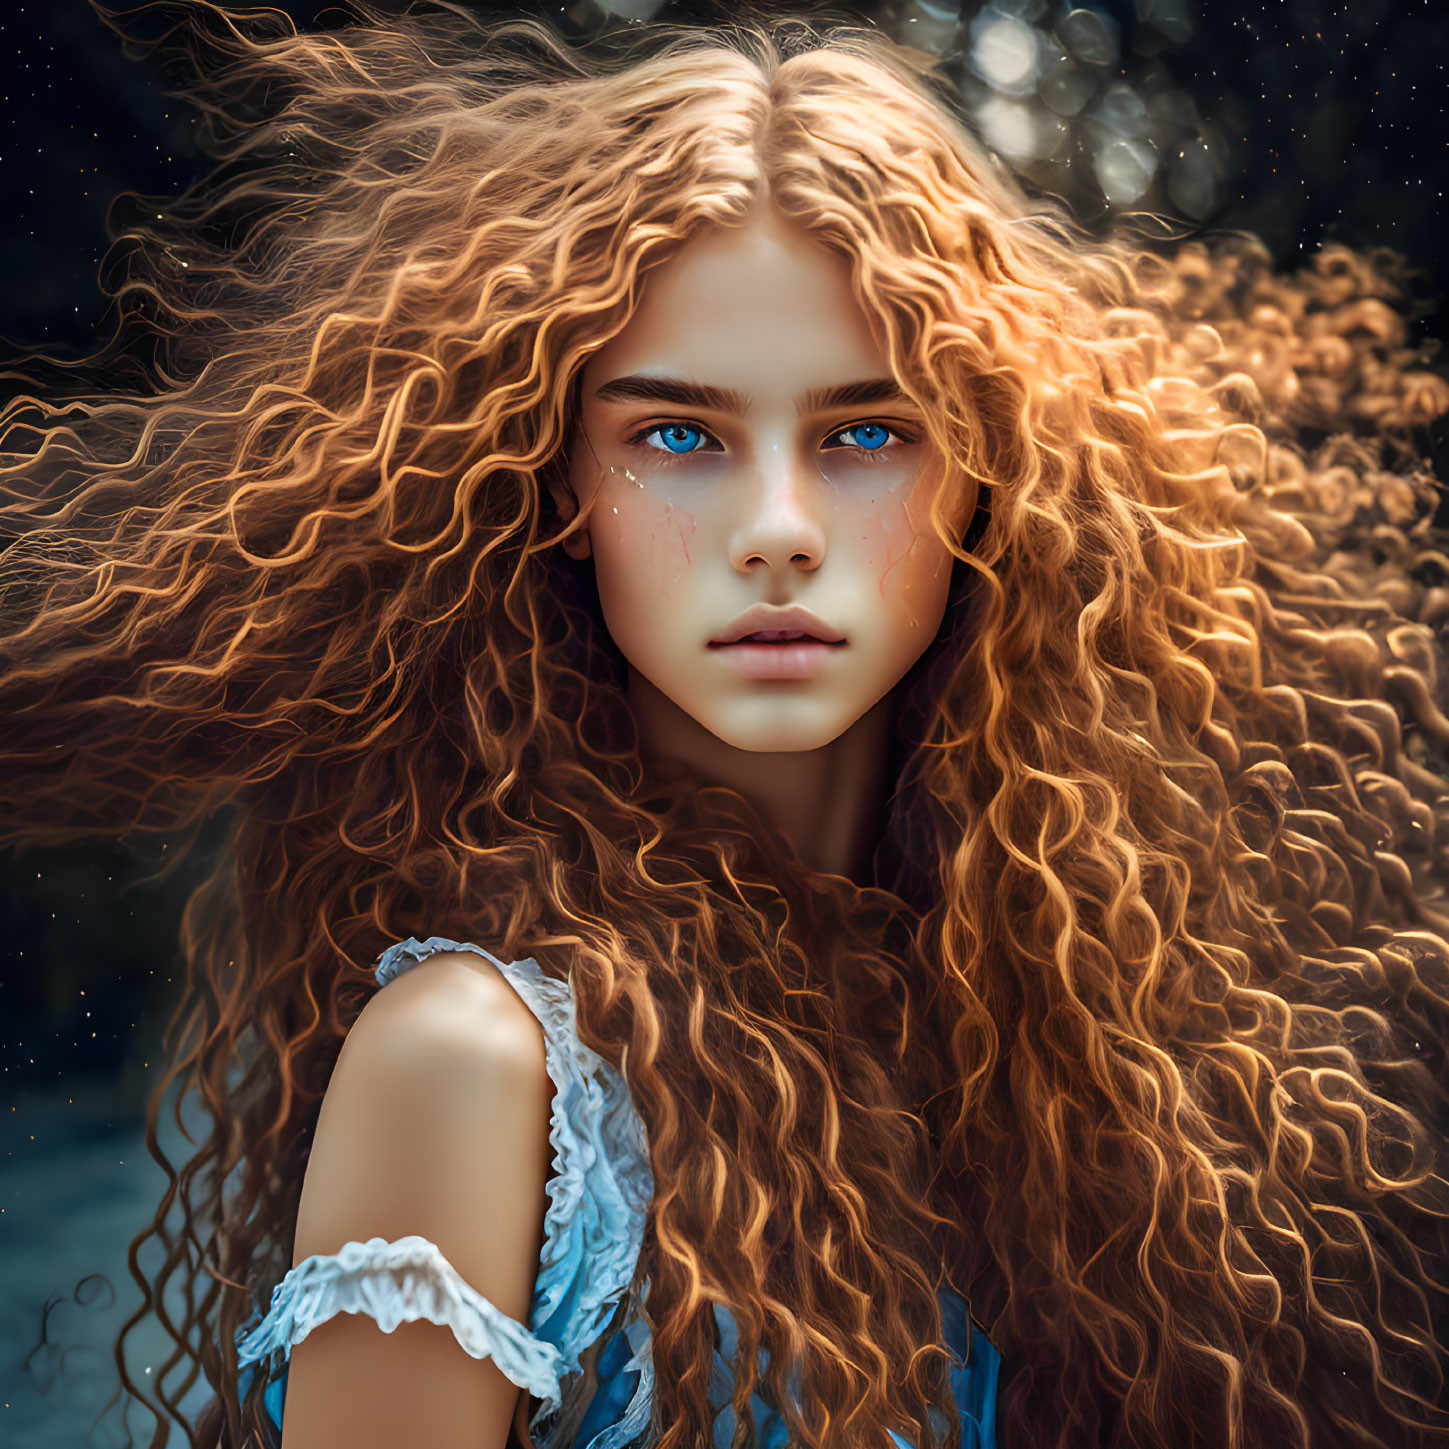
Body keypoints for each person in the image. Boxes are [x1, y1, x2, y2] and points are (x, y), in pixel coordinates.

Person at [3, 4, 1448, 1448]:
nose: (774, 530)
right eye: (678, 436)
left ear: (990, 484)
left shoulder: (1053, 1023)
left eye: (866, 434)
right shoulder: (475, 1064)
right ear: (553, 483)